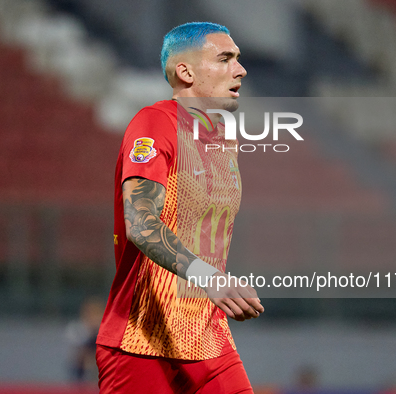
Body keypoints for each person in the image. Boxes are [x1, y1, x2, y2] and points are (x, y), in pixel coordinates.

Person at [96, 22, 264, 393]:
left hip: (208, 337)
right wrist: (210, 278)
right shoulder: (154, 124)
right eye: (225, 58)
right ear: (185, 72)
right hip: (142, 339)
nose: (240, 70)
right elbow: (141, 224)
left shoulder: (222, 140)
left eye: (238, 59)